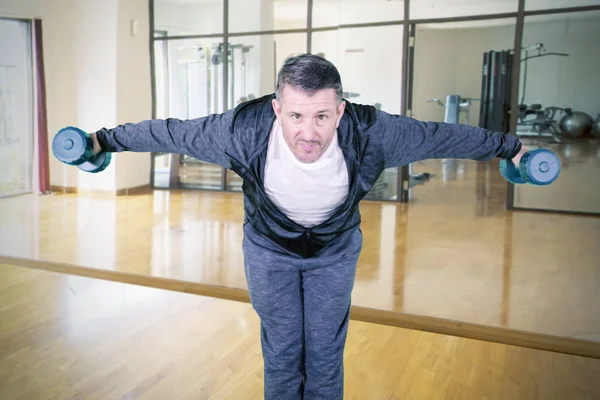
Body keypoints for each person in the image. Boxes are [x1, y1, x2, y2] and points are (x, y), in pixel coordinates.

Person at [90, 53, 527, 399]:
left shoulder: (374, 132)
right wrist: (102, 141)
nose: (309, 133)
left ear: (340, 110)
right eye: (296, 116)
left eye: (321, 117)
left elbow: (441, 136)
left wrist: (512, 149)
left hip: (334, 255)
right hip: (268, 253)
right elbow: (170, 132)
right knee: (282, 351)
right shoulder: (241, 131)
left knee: (324, 355)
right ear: (278, 109)